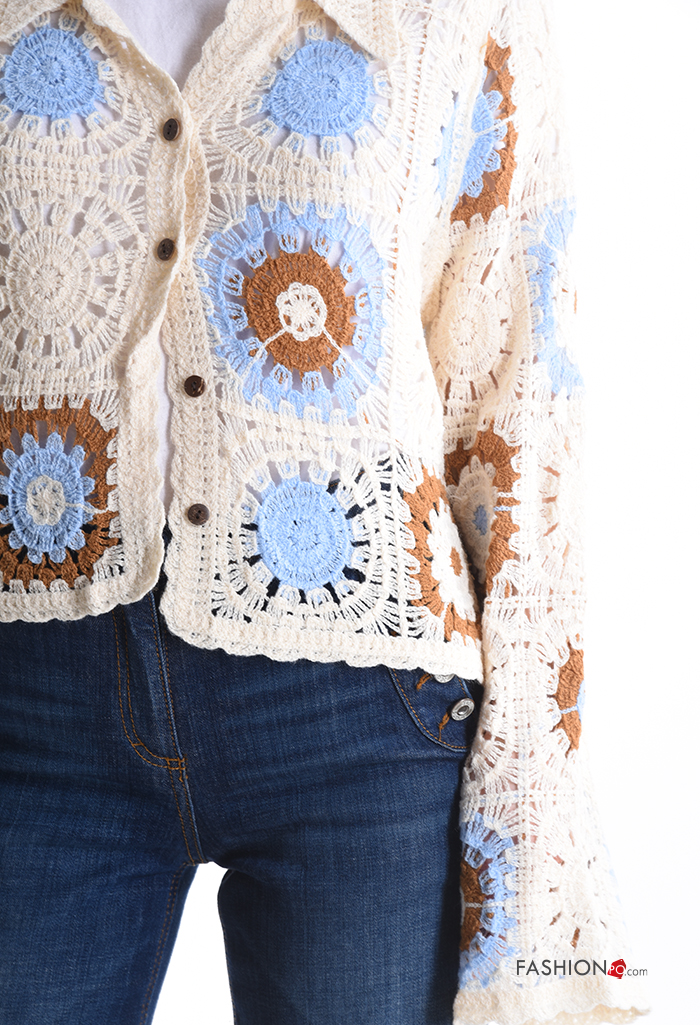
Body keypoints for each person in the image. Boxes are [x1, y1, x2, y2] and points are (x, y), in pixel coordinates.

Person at [0, 1, 649, 1023]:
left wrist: (534, 780)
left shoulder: (453, 15)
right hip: (32, 702)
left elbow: (517, 396)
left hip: (363, 709)